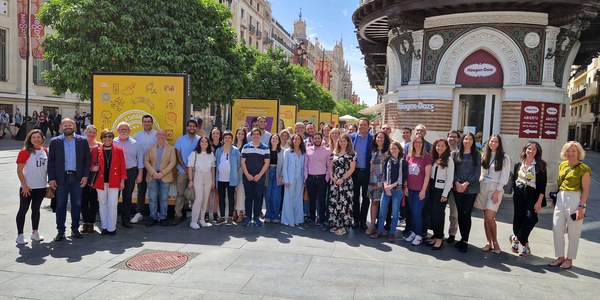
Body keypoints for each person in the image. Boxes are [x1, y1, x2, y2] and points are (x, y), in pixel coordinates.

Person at [549, 141, 591, 269]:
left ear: (579, 152)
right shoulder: (562, 165)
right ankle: (560, 256)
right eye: (568, 150)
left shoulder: (584, 169)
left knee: (574, 232)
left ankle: (569, 259)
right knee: (557, 228)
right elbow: (559, 183)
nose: (570, 153)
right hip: (561, 198)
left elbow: (585, 191)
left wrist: (581, 207)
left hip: (575, 199)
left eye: (574, 151)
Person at [47, 118, 91, 241]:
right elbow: (51, 161)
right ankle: (60, 231)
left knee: (77, 204)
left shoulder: (82, 141)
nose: (67, 127)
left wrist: (85, 176)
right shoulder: (55, 141)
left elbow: (87, 159)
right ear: (61, 126)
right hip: (61, 178)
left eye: (70, 125)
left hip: (77, 177)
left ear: (74, 126)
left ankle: (75, 229)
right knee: (61, 204)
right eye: (65, 125)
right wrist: (51, 178)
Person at [510, 141, 547, 257]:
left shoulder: (540, 166)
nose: (531, 151)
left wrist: (539, 201)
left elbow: (542, 186)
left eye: (533, 149)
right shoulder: (518, 164)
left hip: (533, 196)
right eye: (529, 149)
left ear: (537, 152)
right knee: (518, 220)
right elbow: (514, 179)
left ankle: (515, 238)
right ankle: (525, 246)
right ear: (525, 150)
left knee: (531, 218)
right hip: (519, 195)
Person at [476, 135, 510, 254]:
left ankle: (495, 242)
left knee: (490, 217)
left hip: (495, 188)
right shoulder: (485, 155)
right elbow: (482, 172)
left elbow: (504, 176)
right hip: (483, 186)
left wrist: (497, 192)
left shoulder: (504, 157)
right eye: (491, 141)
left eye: (496, 142)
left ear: (499, 143)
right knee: (485, 217)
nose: (493, 143)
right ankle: (488, 242)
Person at [90, 129, 127, 236]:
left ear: (112, 138)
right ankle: (105, 227)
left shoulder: (119, 150)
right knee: (102, 204)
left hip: (114, 181)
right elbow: (91, 164)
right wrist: (93, 168)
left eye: (109, 136)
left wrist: (122, 181)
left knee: (113, 204)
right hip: (100, 181)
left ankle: (112, 228)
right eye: (105, 137)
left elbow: (122, 167)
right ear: (101, 138)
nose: (107, 139)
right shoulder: (95, 150)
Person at [370, 141, 407, 242]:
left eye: (395, 148)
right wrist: (386, 186)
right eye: (391, 148)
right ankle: (379, 230)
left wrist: (390, 186)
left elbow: (403, 178)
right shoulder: (387, 160)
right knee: (382, 211)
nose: (393, 150)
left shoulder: (403, 162)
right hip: (386, 189)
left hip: (397, 189)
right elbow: (384, 175)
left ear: (399, 149)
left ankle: (392, 233)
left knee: (395, 213)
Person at [15, 129, 48, 245]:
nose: (36, 139)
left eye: (38, 137)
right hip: (27, 187)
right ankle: (20, 235)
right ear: (29, 139)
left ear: (42, 139)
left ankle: (35, 232)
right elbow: (19, 171)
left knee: (36, 210)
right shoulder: (25, 152)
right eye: (33, 137)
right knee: (23, 210)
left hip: (41, 187)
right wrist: (24, 186)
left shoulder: (45, 151)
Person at [452, 132, 481, 252]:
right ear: (462, 140)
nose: (467, 141)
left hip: (471, 188)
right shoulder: (455, 154)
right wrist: (457, 183)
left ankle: (465, 240)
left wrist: (466, 183)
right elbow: (452, 171)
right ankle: (461, 237)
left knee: (466, 213)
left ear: (473, 141)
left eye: (470, 139)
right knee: (460, 212)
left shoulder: (476, 154)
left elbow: (477, 173)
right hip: (457, 187)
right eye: (465, 139)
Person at [113, 122, 144, 229]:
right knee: (114, 196)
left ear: (130, 131)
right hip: (115, 173)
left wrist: (139, 174)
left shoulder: (136, 144)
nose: (123, 131)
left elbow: (140, 160)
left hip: (131, 171)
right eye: (121, 129)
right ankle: (112, 220)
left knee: (127, 196)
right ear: (117, 131)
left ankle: (125, 220)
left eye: (125, 129)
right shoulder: (112, 142)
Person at [144, 129, 177, 227]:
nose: (161, 136)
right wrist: (154, 173)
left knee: (163, 198)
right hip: (152, 176)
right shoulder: (150, 148)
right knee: (152, 198)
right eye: (159, 134)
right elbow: (146, 161)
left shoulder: (171, 149)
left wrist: (162, 173)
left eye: (163, 134)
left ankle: (163, 217)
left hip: (165, 176)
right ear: (156, 136)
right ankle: (153, 217)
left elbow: (173, 162)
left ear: (166, 136)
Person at [404, 135, 432, 246]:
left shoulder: (426, 157)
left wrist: (423, 190)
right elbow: (405, 173)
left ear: (423, 144)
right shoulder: (409, 156)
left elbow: (427, 176)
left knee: (417, 212)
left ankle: (419, 235)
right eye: (416, 142)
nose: (418, 144)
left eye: (420, 142)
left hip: (420, 190)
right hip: (410, 189)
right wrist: (405, 186)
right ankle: (414, 232)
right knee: (412, 212)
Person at [428, 139, 454, 249]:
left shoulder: (449, 159)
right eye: (438, 145)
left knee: (438, 214)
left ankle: (439, 238)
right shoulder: (434, 158)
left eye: (442, 146)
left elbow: (450, 179)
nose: (440, 148)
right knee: (433, 213)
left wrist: (445, 194)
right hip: (432, 188)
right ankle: (435, 235)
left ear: (446, 147)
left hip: (441, 190)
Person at [130, 115, 157, 224]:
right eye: (145, 122)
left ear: (152, 123)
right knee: (141, 190)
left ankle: (154, 214)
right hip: (140, 167)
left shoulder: (157, 135)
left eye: (149, 121)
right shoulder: (136, 136)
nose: (147, 123)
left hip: (153, 168)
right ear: (142, 123)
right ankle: (139, 213)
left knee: (154, 191)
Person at [241, 128, 270, 227]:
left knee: (258, 197)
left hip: (260, 177)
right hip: (247, 177)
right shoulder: (246, 146)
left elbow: (266, 163)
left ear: (260, 136)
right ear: (251, 135)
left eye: (258, 134)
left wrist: (259, 175)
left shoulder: (265, 148)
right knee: (248, 197)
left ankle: (256, 217)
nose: (256, 136)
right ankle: (248, 217)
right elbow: (242, 162)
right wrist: (247, 174)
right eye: (254, 134)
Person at [173, 120, 200, 225]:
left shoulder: (200, 140)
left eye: (194, 126)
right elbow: (178, 154)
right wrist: (184, 167)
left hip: (196, 171)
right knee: (180, 194)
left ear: (197, 128)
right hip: (182, 170)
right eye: (190, 126)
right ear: (187, 127)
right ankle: (177, 215)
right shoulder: (180, 139)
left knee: (195, 195)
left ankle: (194, 217)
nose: (192, 127)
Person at [328, 134, 356, 235]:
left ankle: (343, 226)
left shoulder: (352, 154)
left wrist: (343, 179)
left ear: (348, 142)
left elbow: (352, 169)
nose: (342, 143)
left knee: (344, 203)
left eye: (344, 141)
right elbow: (330, 166)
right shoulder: (334, 153)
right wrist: (332, 176)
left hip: (346, 182)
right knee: (335, 202)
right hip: (334, 181)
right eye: (340, 141)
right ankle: (336, 224)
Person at [349, 118, 373, 230]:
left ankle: (363, 221)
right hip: (354, 172)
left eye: (364, 125)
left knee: (366, 197)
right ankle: (356, 220)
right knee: (355, 197)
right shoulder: (352, 137)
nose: (362, 127)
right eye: (360, 125)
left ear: (368, 126)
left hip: (367, 172)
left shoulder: (372, 139)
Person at [365, 131, 391, 235]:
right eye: (378, 137)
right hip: (374, 181)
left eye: (382, 138)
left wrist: (383, 182)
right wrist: (375, 183)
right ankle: (372, 225)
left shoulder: (388, 152)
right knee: (374, 202)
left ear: (385, 140)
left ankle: (381, 226)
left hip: (384, 181)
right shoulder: (373, 150)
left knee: (384, 204)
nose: (379, 139)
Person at [188, 136, 216, 229]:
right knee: (198, 199)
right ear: (199, 143)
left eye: (206, 142)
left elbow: (212, 168)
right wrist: (190, 180)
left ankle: (202, 219)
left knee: (205, 199)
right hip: (198, 175)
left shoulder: (211, 154)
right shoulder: (194, 154)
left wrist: (213, 180)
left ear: (208, 144)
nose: (204, 143)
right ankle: (193, 221)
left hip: (208, 175)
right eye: (202, 141)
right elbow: (190, 167)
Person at [304, 132, 331, 227]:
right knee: (311, 199)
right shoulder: (308, 150)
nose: (317, 140)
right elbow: (305, 165)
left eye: (318, 138)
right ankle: (312, 218)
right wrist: (306, 178)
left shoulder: (327, 151)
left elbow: (329, 166)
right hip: (310, 178)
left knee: (321, 200)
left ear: (321, 139)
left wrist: (326, 178)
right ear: (312, 140)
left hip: (322, 179)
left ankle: (321, 220)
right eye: (315, 138)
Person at [215, 131, 241, 224]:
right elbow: (216, 163)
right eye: (225, 138)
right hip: (220, 178)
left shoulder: (236, 150)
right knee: (221, 197)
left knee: (231, 197)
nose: (227, 139)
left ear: (232, 139)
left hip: (231, 178)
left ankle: (230, 216)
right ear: (223, 139)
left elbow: (238, 164)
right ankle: (222, 216)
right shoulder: (219, 150)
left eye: (229, 138)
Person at [282, 134, 306, 227]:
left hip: (300, 179)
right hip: (290, 179)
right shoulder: (287, 152)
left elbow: (304, 166)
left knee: (297, 199)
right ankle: (288, 220)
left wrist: (304, 180)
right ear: (292, 140)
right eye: (295, 139)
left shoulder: (303, 152)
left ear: (301, 141)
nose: (296, 140)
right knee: (288, 199)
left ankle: (296, 219)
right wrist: (286, 180)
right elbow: (285, 167)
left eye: (298, 139)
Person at [81, 125, 101, 234]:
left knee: (93, 200)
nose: (91, 134)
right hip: (81, 176)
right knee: (83, 200)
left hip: (94, 176)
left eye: (94, 132)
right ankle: (85, 222)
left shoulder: (100, 146)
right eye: (90, 132)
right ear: (85, 132)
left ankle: (91, 223)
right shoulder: (79, 145)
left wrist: (97, 167)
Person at [264, 134, 284, 223]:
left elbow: (284, 165)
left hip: (277, 173)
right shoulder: (266, 150)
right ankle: (268, 215)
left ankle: (276, 215)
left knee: (276, 196)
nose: (275, 140)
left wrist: (281, 176)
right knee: (268, 195)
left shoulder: (282, 151)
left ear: (279, 140)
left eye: (276, 138)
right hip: (267, 173)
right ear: (270, 140)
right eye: (273, 138)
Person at [446, 130, 461, 243]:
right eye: (450, 136)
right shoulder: (442, 149)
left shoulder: (461, 152)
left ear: (458, 139)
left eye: (454, 137)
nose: (452, 138)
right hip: (442, 185)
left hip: (454, 186)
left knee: (453, 211)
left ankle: (452, 233)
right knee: (439, 210)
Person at [209, 127, 223, 223]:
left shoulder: (223, 146)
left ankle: (215, 213)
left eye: (217, 133)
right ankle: (205, 213)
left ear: (220, 135)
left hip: (220, 172)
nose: (215, 135)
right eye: (214, 133)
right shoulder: (207, 145)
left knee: (217, 192)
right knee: (208, 193)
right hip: (208, 171)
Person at [233, 128, 247, 222]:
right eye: (239, 133)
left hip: (242, 171)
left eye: (242, 134)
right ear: (236, 134)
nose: (240, 135)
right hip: (233, 172)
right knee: (233, 192)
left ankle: (241, 212)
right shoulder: (231, 145)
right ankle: (234, 211)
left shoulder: (246, 146)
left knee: (241, 192)